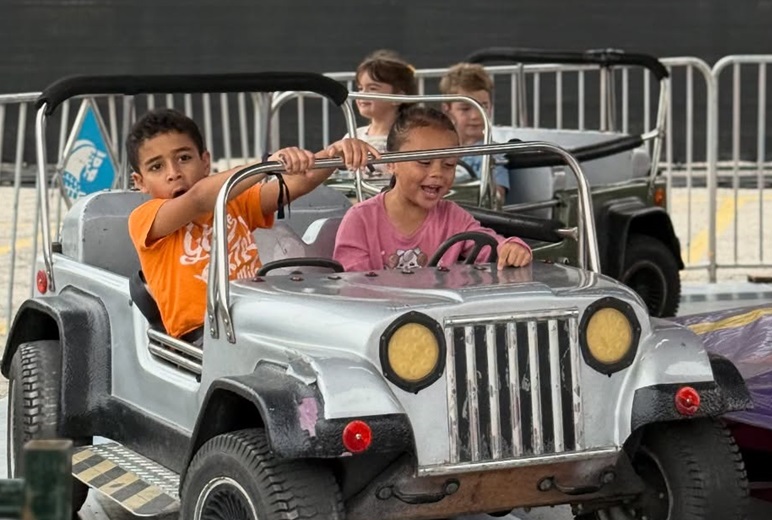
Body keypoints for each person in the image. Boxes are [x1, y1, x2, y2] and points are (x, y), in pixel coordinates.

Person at [127, 108, 377, 345]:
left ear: (205, 162)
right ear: (140, 181)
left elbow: (297, 184)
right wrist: (266, 164)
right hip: (203, 335)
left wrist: (334, 153)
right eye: (156, 167)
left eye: (184, 158)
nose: (174, 173)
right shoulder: (145, 218)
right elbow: (199, 199)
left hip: (257, 319)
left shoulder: (235, 201)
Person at [333, 105, 531, 272]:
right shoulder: (360, 219)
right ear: (391, 163)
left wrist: (512, 248)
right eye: (425, 162)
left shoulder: (454, 217)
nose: (437, 173)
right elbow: (354, 288)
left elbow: (494, 246)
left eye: (449, 165)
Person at [438, 62, 510, 203]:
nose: (475, 116)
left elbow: (495, 199)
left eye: (483, 106)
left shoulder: (493, 153)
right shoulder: (435, 149)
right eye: (465, 109)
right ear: (447, 109)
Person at [348, 49, 417, 154]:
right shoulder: (354, 135)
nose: (362, 94)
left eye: (372, 88)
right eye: (360, 88)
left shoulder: (410, 139)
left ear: (398, 98)